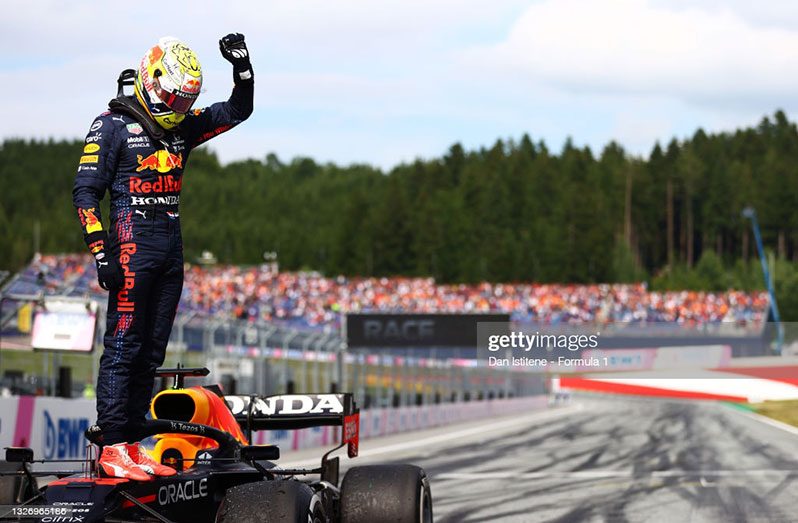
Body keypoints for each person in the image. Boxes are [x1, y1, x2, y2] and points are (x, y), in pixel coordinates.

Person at [73, 34, 254, 479]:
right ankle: (112, 445)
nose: (179, 104)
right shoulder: (111, 124)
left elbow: (236, 110)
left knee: (151, 353)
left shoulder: (181, 127)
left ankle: (131, 442)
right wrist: (102, 254)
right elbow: (84, 194)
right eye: (175, 95)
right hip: (132, 249)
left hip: (172, 251)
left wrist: (243, 69)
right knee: (123, 348)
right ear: (152, 78)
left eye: (186, 98)